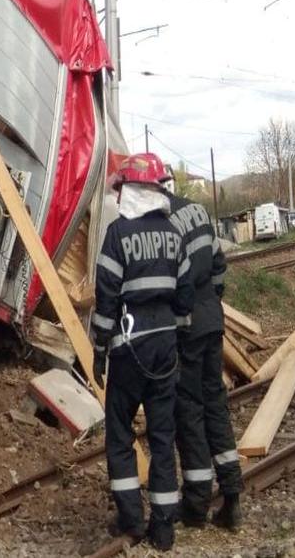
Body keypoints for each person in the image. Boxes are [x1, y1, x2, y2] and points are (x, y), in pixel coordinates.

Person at [92, 152, 195, 551]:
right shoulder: (173, 233)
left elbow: (106, 298)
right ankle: (164, 527)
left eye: (121, 189)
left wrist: (99, 349)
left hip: (128, 348)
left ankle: (132, 521)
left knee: (120, 435)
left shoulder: (117, 234)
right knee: (163, 435)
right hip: (165, 348)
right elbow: (185, 295)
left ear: (131, 189)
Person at [163, 176, 244, 530]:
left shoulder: (163, 225)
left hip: (189, 328)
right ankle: (232, 495)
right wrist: (211, 303)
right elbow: (218, 266)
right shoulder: (196, 210)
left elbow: (171, 287)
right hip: (213, 319)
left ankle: (196, 504)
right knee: (216, 404)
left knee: (189, 410)